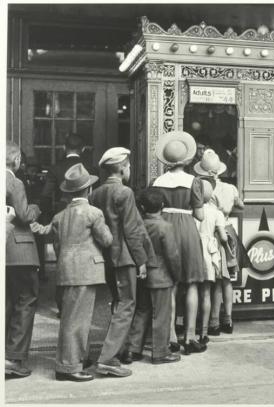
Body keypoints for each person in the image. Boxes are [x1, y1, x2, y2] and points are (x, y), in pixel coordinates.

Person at [90, 147, 155, 377]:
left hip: (107, 256)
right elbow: (131, 230)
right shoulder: (125, 193)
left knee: (118, 304)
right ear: (121, 168)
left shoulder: (95, 194)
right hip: (125, 257)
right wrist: (141, 261)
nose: (129, 169)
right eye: (128, 166)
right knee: (127, 305)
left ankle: (113, 353)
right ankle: (108, 359)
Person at [51, 164, 113, 382]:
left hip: (66, 269)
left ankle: (75, 359)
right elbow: (106, 239)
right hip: (86, 270)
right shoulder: (94, 213)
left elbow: (57, 246)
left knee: (70, 317)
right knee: (78, 320)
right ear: (88, 190)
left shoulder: (59, 217)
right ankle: (68, 367)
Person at [152, 131, 207, 354]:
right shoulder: (194, 182)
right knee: (192, 282)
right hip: (187, 228)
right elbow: (200, 215)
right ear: (185, 159)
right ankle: (190, 336)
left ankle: (172, 336)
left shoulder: (156, 182)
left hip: (165, 227)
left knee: (171, 284)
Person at [123, 187, 182, 365]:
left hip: (142, 274)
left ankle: (133, 349)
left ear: (141, 207)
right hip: (161, 275)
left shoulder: (139, 224)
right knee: (161, 315)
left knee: (142, 311)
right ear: (162, 206)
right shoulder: (165, 227)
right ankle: (160, 352)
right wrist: (176, 275)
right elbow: (173, 255)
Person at [40, 133, 97, 315]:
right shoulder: (90, 167)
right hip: (88, 214)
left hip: (63, 213)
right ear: (83, 149)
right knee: (86, 256)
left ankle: (63, 306)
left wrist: (50, 217)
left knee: (63, 259)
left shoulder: (55, 168)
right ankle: (83, 305)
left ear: (65, 148)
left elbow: (46, 196)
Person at [194, 148, 246, 335]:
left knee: (215, 281)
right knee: (227, 280)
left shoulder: (205, 189)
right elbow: (241, 204)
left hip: (213, 235)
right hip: (229, 232)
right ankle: (228, 320)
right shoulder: (230, 188)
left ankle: (214, 322)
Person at [5, 141, 42, 378]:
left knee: (6, 303)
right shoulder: (13, 181)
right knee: (26, 301)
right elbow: (23, 214)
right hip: (19, 251)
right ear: (16, 160)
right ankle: (13, 358)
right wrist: (37, 208)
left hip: (4, 251)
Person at [196, 179, 228, 344]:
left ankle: (188, 328)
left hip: (194, 251)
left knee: (191, 291)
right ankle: (204, 331)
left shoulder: (191, 210)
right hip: (209, 253)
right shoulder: (216, 213)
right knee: (207, 293)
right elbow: (223, 237)